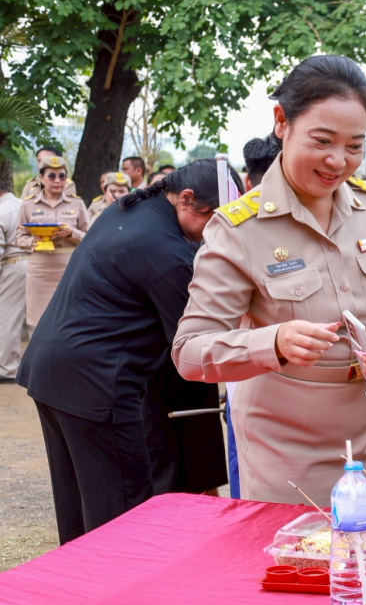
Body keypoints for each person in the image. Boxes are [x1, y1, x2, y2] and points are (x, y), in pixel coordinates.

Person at [172, 54, 366, 505]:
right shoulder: (240, 228)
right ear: (281, 122)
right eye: (322, 140)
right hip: (283, 447)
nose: (338, 161)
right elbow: (191, 351)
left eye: (355, 146)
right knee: (294, 570)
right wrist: (273, 342)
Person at [17, 161, 228, 543]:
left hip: (52, 370)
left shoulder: (128, 209)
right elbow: (195, 340)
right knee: (123, 509)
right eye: (214, 218)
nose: (216, 231)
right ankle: (118, 599)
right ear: (186, 199)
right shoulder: (164, 250)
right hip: (97, 382)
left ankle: (81, 593)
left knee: (79, 504)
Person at [15, 155, 90, 329]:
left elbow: (89, 237)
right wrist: (32, 242)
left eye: (62, 176)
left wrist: (72, 232)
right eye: (52, 176)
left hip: (69, 267)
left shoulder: (77, 203)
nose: (57, 181)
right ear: (41, 178)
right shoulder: (28, 205)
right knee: (37, 320)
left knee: (70, 318)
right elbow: (20, 237)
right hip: (39, 269)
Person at [0, 179, 24, 383]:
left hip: (12, 263)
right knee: (35, 320)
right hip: (38, 263)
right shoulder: (24, 203)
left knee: (8, 317)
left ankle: (7, 369)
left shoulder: (2, 210)